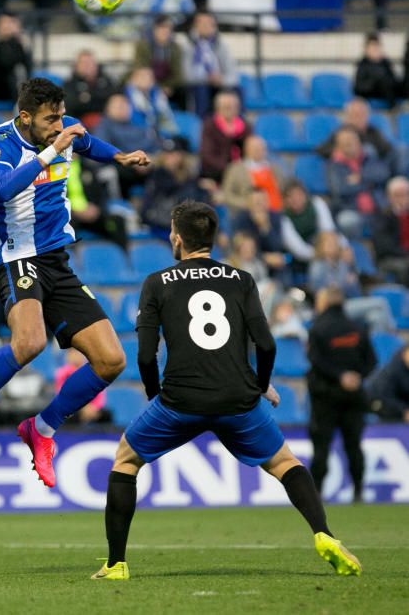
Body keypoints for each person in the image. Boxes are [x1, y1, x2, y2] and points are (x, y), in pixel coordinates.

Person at [92, 200, 361, 581]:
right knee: (286, 463)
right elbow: (266, 344)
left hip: (180, 400)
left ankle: (117, 564)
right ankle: (324, 535)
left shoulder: (156, 283)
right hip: (238, 398)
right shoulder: (242, 279)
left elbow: (146, 355)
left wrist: (157, 395)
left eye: (172, 230)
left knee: (126, 462)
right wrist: (258, 384)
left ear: (178, 238)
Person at [0, 78, 150, 487]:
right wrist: (54, 148)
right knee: (30, 341)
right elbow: (1, 189)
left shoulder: (62, 128)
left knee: (111, 360)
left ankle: (43, 429)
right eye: (50, 120)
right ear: (25, 117)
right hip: (17, 257)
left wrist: (119, 157)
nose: (58, 126)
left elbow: (87, 144)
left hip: (55, 259)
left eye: (60, 118)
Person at [307, 286, 377, 503]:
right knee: (354, 446)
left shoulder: (318, 328)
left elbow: (315, 360)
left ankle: (316, 493)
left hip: (325, 396)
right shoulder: (357, 328)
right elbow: (371, 361)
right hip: (354, 396)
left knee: (321, 447)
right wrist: (355, 377)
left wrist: (339, 376)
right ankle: (358, 491)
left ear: (325, 302)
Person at [183, 11, 239, 118]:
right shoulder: (188, 45)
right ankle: (202, 125)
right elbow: (186, 75)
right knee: (201, 90)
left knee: (236, 91)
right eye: (203, 24)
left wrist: (221, 79)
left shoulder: (221, 45)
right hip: (198, 84)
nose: (206, 27)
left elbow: (233, 74)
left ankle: (238, 128)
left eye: (210, 24)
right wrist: (206, 78)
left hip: (219, 84)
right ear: (195, 26)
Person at [220, 134, 284, 216]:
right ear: (246, 149)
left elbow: (283, 189)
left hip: (278, 212)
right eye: (255, 148)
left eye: (261, 147)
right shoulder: (235, 169)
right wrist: (247, 204)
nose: (259, 150)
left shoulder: (274, 167)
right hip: (251, 215)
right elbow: (227, 195)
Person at [199, 90, 252, 184]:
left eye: (234, 107)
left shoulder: (246, 126)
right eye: (227, 107)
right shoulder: (209, 125)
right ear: (218, 108)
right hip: (216, 171)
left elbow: (249, 150)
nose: (231, 110)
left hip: (241, 170)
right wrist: (229, 168)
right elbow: (207, 155)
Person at [132, 15, 184, 103]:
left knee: (183, 90)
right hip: (147, 82)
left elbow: (177, 74)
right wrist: (156, 87)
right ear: (155, 29)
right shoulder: (143, 46)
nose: (165, 31)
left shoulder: (175, 48)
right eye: (162, 27)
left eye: (168, 28)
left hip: (168, 85)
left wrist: (167, 86)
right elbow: (141, 68)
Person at [63, 50, 117, 130]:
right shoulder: (69, 84)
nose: (88, 66)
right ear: (77, 66)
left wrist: (88, 97)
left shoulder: (106, 81)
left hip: (108, 122)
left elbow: (114, 98)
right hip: (80, 125)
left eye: (91, 63)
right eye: (84, 63)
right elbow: (71, 105)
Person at [54, 349, 110, 425]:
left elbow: (100, 393)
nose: (75, 356)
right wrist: (83, 408)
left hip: (92, 408)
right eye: (71, 353)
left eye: (77, 352)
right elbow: (64, 395)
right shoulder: (62, 373)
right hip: (74, 409)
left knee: (107, 414)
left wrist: (94, 408)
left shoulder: (93, 370)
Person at [0, 12, 32, 105]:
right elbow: (6, 64)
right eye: (4, 23)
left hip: (17, 85)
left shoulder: (21, 45)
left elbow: (28, 67)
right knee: (14, 76)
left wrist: (20, 43)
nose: (7, 26)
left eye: (10, 23)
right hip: (1, 87)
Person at [372, 176, 409, 285]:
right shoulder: (382, 217)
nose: (402, 198)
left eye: (405, 194)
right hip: (392, 258)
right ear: (389, 197)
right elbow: (384, 246)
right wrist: (406, 254)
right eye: (398, 195)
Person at [353, 33, 402, 107]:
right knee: (381, 78)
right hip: (370, 94)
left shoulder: (385, 62)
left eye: (377, 46)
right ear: (366, 49)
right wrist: (375, 80)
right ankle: (393, 107)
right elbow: (359, 87)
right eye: (372, 47)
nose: (375, 49)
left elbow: (394, 80)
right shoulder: (362, 64)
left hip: (387, 91)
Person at [308, 231, 361, 298]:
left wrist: (351, 263)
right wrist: (341, 284)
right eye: (329, 243)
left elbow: (353, 282)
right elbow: (318, 289)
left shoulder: (343, 261)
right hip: (329, 303)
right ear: (321, 245)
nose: (333, 245)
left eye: (335, 242)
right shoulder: (317, 266)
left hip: (348, 298)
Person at [366, 345, 409, 422]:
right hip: (379, 401)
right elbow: (385, 396)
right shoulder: (391, 371)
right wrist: (403, 411)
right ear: (404, 353)